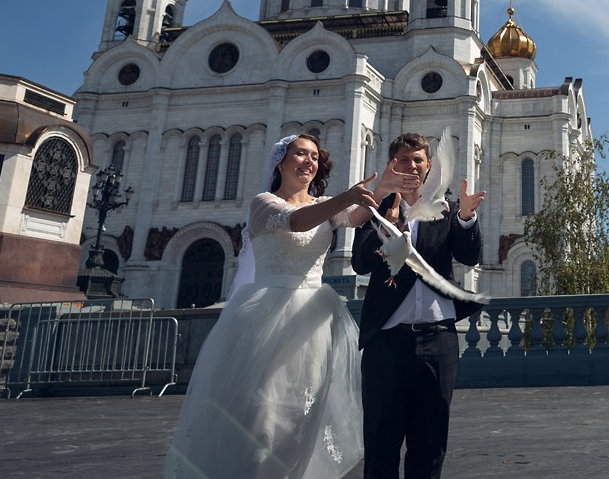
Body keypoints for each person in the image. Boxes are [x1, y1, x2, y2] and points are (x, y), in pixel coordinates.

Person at [164, 132, 420, 478]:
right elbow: (298, 221)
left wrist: (382, 187)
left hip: (313, 319)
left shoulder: (326, 204)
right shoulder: (263, 203)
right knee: (261, 420)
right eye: (300, 154)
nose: (309, 161)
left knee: (300, 420)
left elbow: (357, 217)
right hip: (267, 317)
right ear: (280, 161)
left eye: (314, 156)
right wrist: (346, 196)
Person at [352, 132, 486, 479]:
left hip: (437, 339)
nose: (411, 166)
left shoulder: (446, 210)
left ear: (428, 167)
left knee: (429, 445)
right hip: (387, 343)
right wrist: (388, 230)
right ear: (391, 164)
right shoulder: (374, 209)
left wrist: (467, 219)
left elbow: (469, 256)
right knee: (381, 441)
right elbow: (360, 263)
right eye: (403, 159)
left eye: (418, 160)